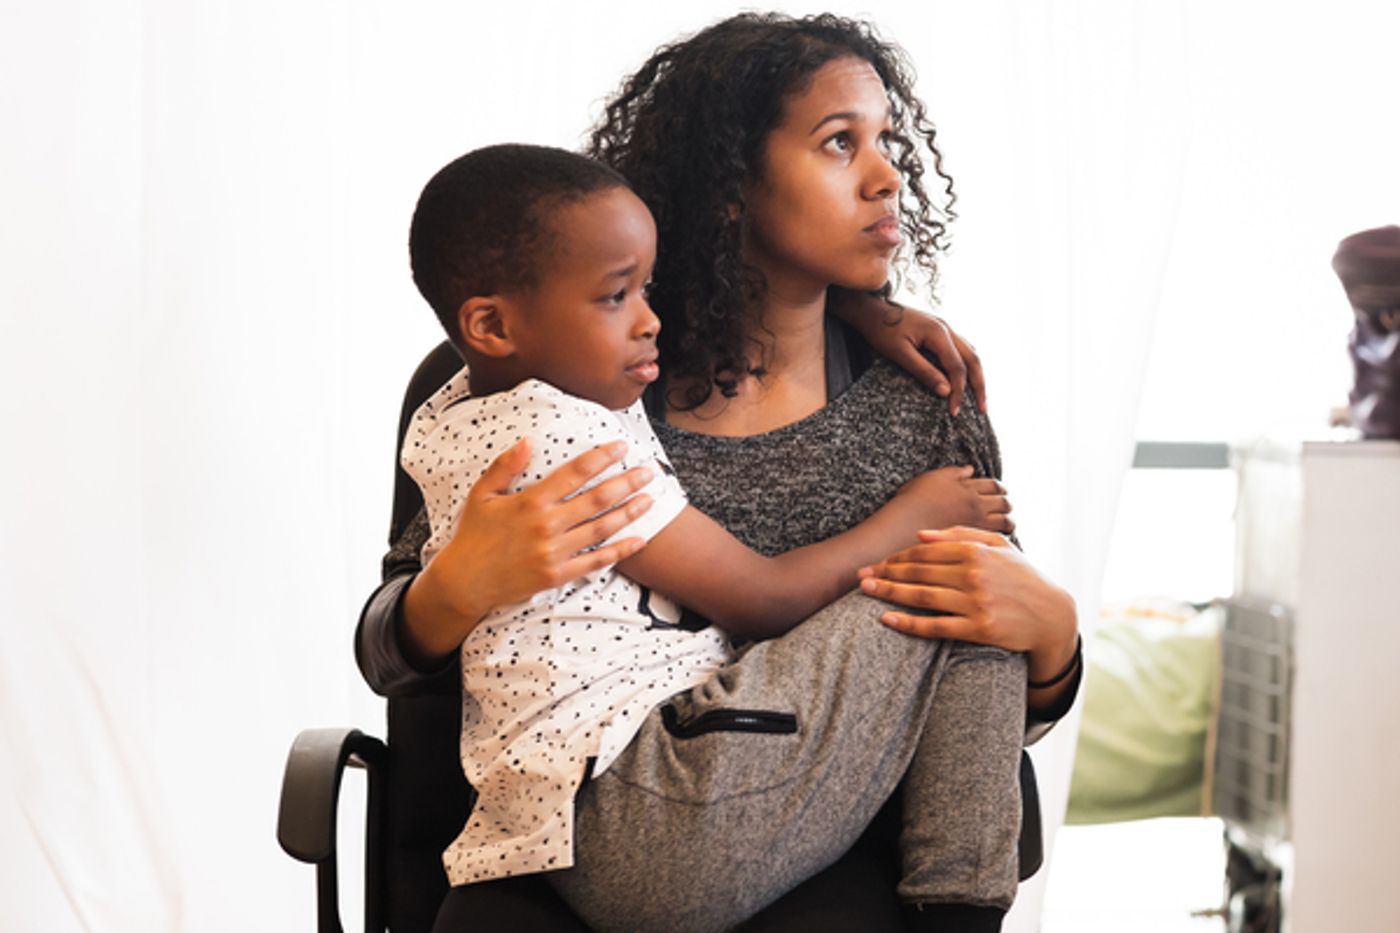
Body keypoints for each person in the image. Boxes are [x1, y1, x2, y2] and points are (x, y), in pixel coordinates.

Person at [356, 12, 1081, 933]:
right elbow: (389, 662)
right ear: (730, 182)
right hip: (597, 827)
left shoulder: (923, 395)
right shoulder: (557, 380)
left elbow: (972, 696)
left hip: (837, 845)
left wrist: (1056, 644)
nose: (887, 176)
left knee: (951, 595)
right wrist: (451, 589)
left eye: (886, 141)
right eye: (839, 143)